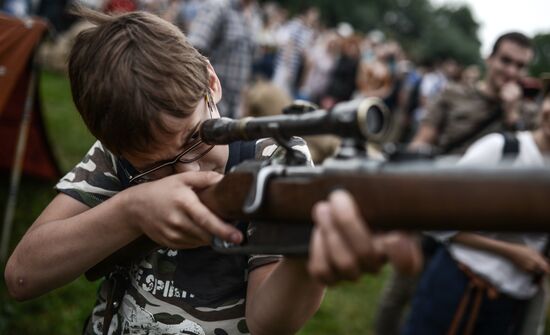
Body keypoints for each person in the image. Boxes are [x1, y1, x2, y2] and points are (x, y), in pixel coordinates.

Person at [4, 7, 421, 335]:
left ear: (211, 82)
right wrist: (131, 209)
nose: (188, 168)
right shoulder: (118, 155)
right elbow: (22, 277)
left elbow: (268, 324)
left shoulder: (276, 160)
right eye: (158, 166)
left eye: (195, 139)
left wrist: (303, 260)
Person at [401, 83, 550, 335]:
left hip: (510, 309)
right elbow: (435, 218)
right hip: (455, 289)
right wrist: (510, 252)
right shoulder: (502, 149)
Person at [409, 32, 538, 156]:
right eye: (505, 61)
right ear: (489, 59)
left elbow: (532, 160)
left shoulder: (530, 113)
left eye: (520, 66)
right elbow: (421, 142)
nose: (511, 71)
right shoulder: (452, 94)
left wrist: (513, 118)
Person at [187, 0, 258, 118]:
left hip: (237, 103)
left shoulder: (255, 15)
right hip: (211, 100)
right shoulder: (218, 6)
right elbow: (194, 49)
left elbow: (250, 59)